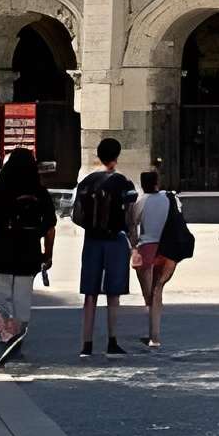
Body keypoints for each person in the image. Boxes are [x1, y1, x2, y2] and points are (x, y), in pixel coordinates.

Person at [0, 148, 56, 366]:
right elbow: (50, 227)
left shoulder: (0, 189)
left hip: (1, 254)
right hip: (29, 256)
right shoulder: (40, 192)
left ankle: (4, 333)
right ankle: (16, 336)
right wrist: (48, 254)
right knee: (21, 301)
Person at [72, 137, 136, 358]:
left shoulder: (86, 182)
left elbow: (76, 216)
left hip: (92, 240)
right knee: (113, 292)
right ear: (117, 157)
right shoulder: (124, 183)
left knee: (90, 293)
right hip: (116, 240)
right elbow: (131, 215)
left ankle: (86, 344)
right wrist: (133, 243)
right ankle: (112, 341)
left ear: (98, 155)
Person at [130, 167, 178, 351]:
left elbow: (133, 227)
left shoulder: (141, 202)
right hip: (167, 248)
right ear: (158, 182)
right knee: (158, 290)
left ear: (142, 185)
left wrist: (133, 248)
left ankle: (153, 334)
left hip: (147, 248)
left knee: (148, 295)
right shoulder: (169, 199)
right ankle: (155, 336)